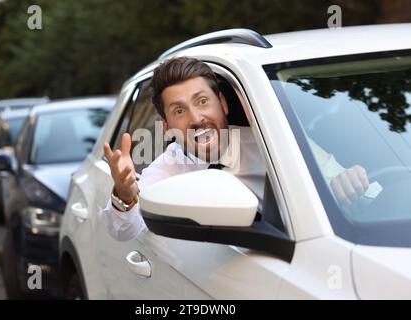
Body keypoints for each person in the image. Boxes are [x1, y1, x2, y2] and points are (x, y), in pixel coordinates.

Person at [103, 57, 370, 241]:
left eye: (203, 101)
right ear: (166, 125)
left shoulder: (275, 142)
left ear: (223, 104)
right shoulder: (166, 169)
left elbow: (350, 187)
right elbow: (126, 231)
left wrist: (349, 183)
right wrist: (124, 195)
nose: (196, 118)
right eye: (179, 110)